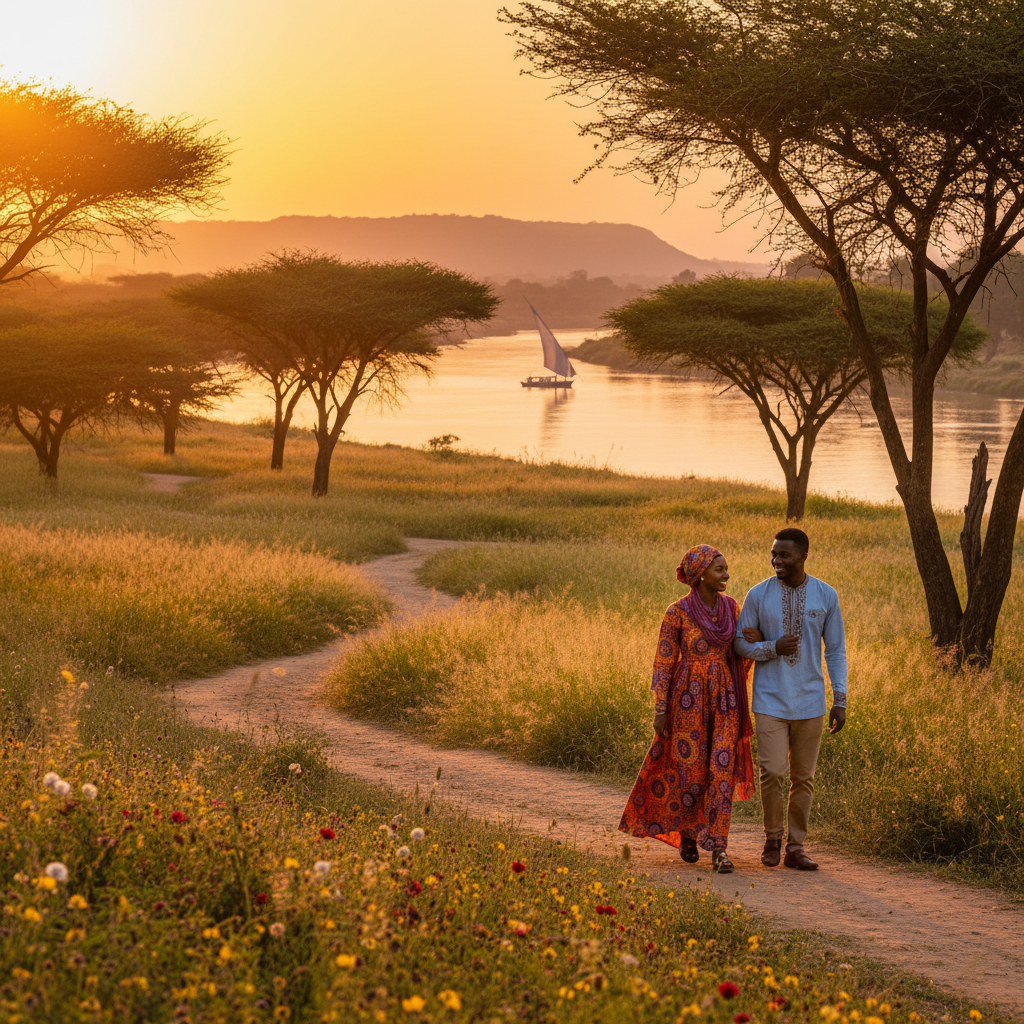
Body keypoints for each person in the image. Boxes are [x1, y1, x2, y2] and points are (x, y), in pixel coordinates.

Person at [619, 544, 755, 873]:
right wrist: (660, 708)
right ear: (700, 574)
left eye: (725, 568)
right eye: (719, 569)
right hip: (687, 702)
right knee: (691, 775)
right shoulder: (676, 612)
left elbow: (739, 652)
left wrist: (754, 640)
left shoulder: (731, 608)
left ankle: (719, 848)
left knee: (720, 771)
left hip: (725, 700)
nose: (726, 575)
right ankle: (689, 832)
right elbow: (664, 663)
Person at [734, 527, 847, 871]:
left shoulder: (826, 596)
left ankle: (795, 847)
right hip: (769, 699)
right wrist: (771, 647)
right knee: (771, 772)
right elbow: (740, 643)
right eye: (774, 554)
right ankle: (772, 839)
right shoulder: (758, 594)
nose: (776, 560)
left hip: (811, 701)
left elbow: (836, 650)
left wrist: (840, 698)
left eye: (784, 554)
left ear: (803, 556)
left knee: (804, 778)